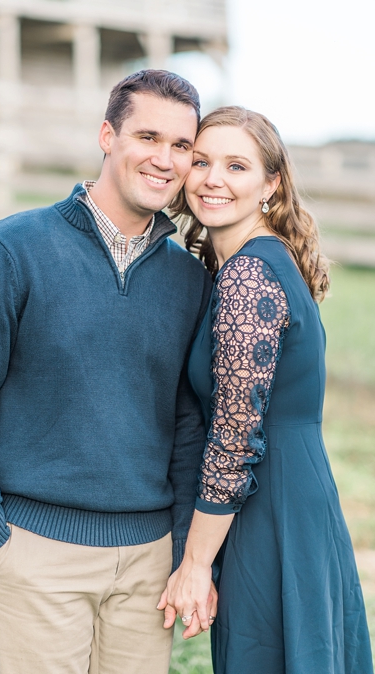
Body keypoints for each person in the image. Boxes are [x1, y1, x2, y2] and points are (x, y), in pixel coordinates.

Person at [0, 70, 213, 674]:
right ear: (107, 136)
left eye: (182, 147)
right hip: (34, 554)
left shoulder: (190, 281)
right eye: (148, 137)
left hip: (148, 562)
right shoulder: (12, 250)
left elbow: (191, 427)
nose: (164, 160)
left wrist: (186, 552)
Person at [159, 106, 373, 672]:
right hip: (295, 495)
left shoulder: (249, 275)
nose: (213, 179)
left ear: (270, 184)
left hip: (267, 508)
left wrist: (195, 564)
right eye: (201, 162)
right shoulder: (260, 261)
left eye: (236, 166)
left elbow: (234, 437)